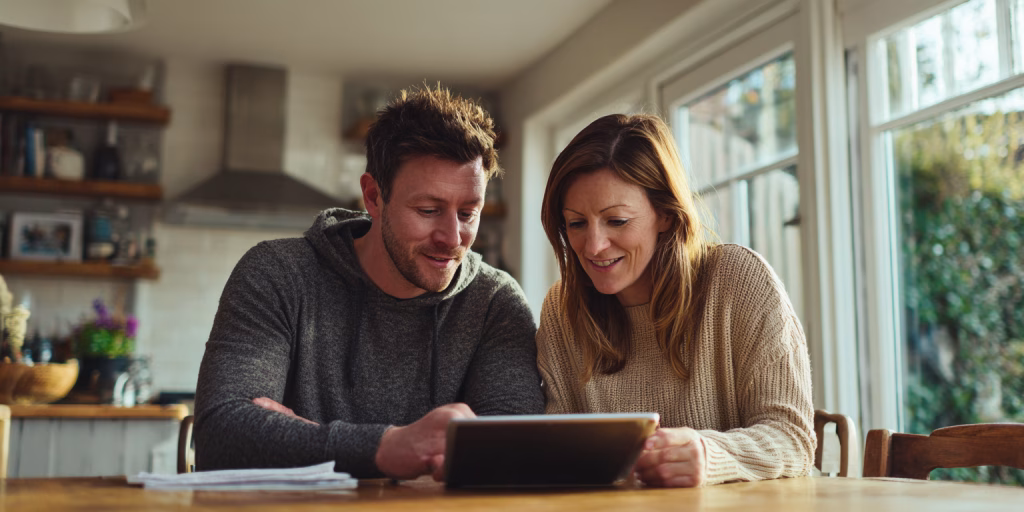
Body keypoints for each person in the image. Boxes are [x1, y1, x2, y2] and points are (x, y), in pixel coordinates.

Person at [194, 86, 544, 480]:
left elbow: (509, 458)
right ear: (374, 197)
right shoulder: (278, 274)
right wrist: (389, 447)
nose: (452, 236)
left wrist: (307, 437)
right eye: (428, 210)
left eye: (468, 212)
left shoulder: (496, 303)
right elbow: (221, 437)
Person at [537, 114, 814, 488]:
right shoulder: (561, 309)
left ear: (665, 215)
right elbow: (555, 451)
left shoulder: (737, 279)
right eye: (576, 223)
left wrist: (710, 454)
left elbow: (793, 439)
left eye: (616, 221)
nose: (593, 246)